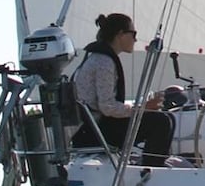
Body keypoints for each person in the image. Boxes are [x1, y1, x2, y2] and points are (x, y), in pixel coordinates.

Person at [70, 13, 175, 167]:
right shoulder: (104, 62)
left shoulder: (97, 57)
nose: (135, 40)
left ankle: (151, 166)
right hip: (93, 134)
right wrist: (143, 107)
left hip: (91, 129)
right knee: (161, 121)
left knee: (166, 118)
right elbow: (107, 107)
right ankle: (151, 169)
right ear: (120, 34)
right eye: (133, 34)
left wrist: (142, 108)